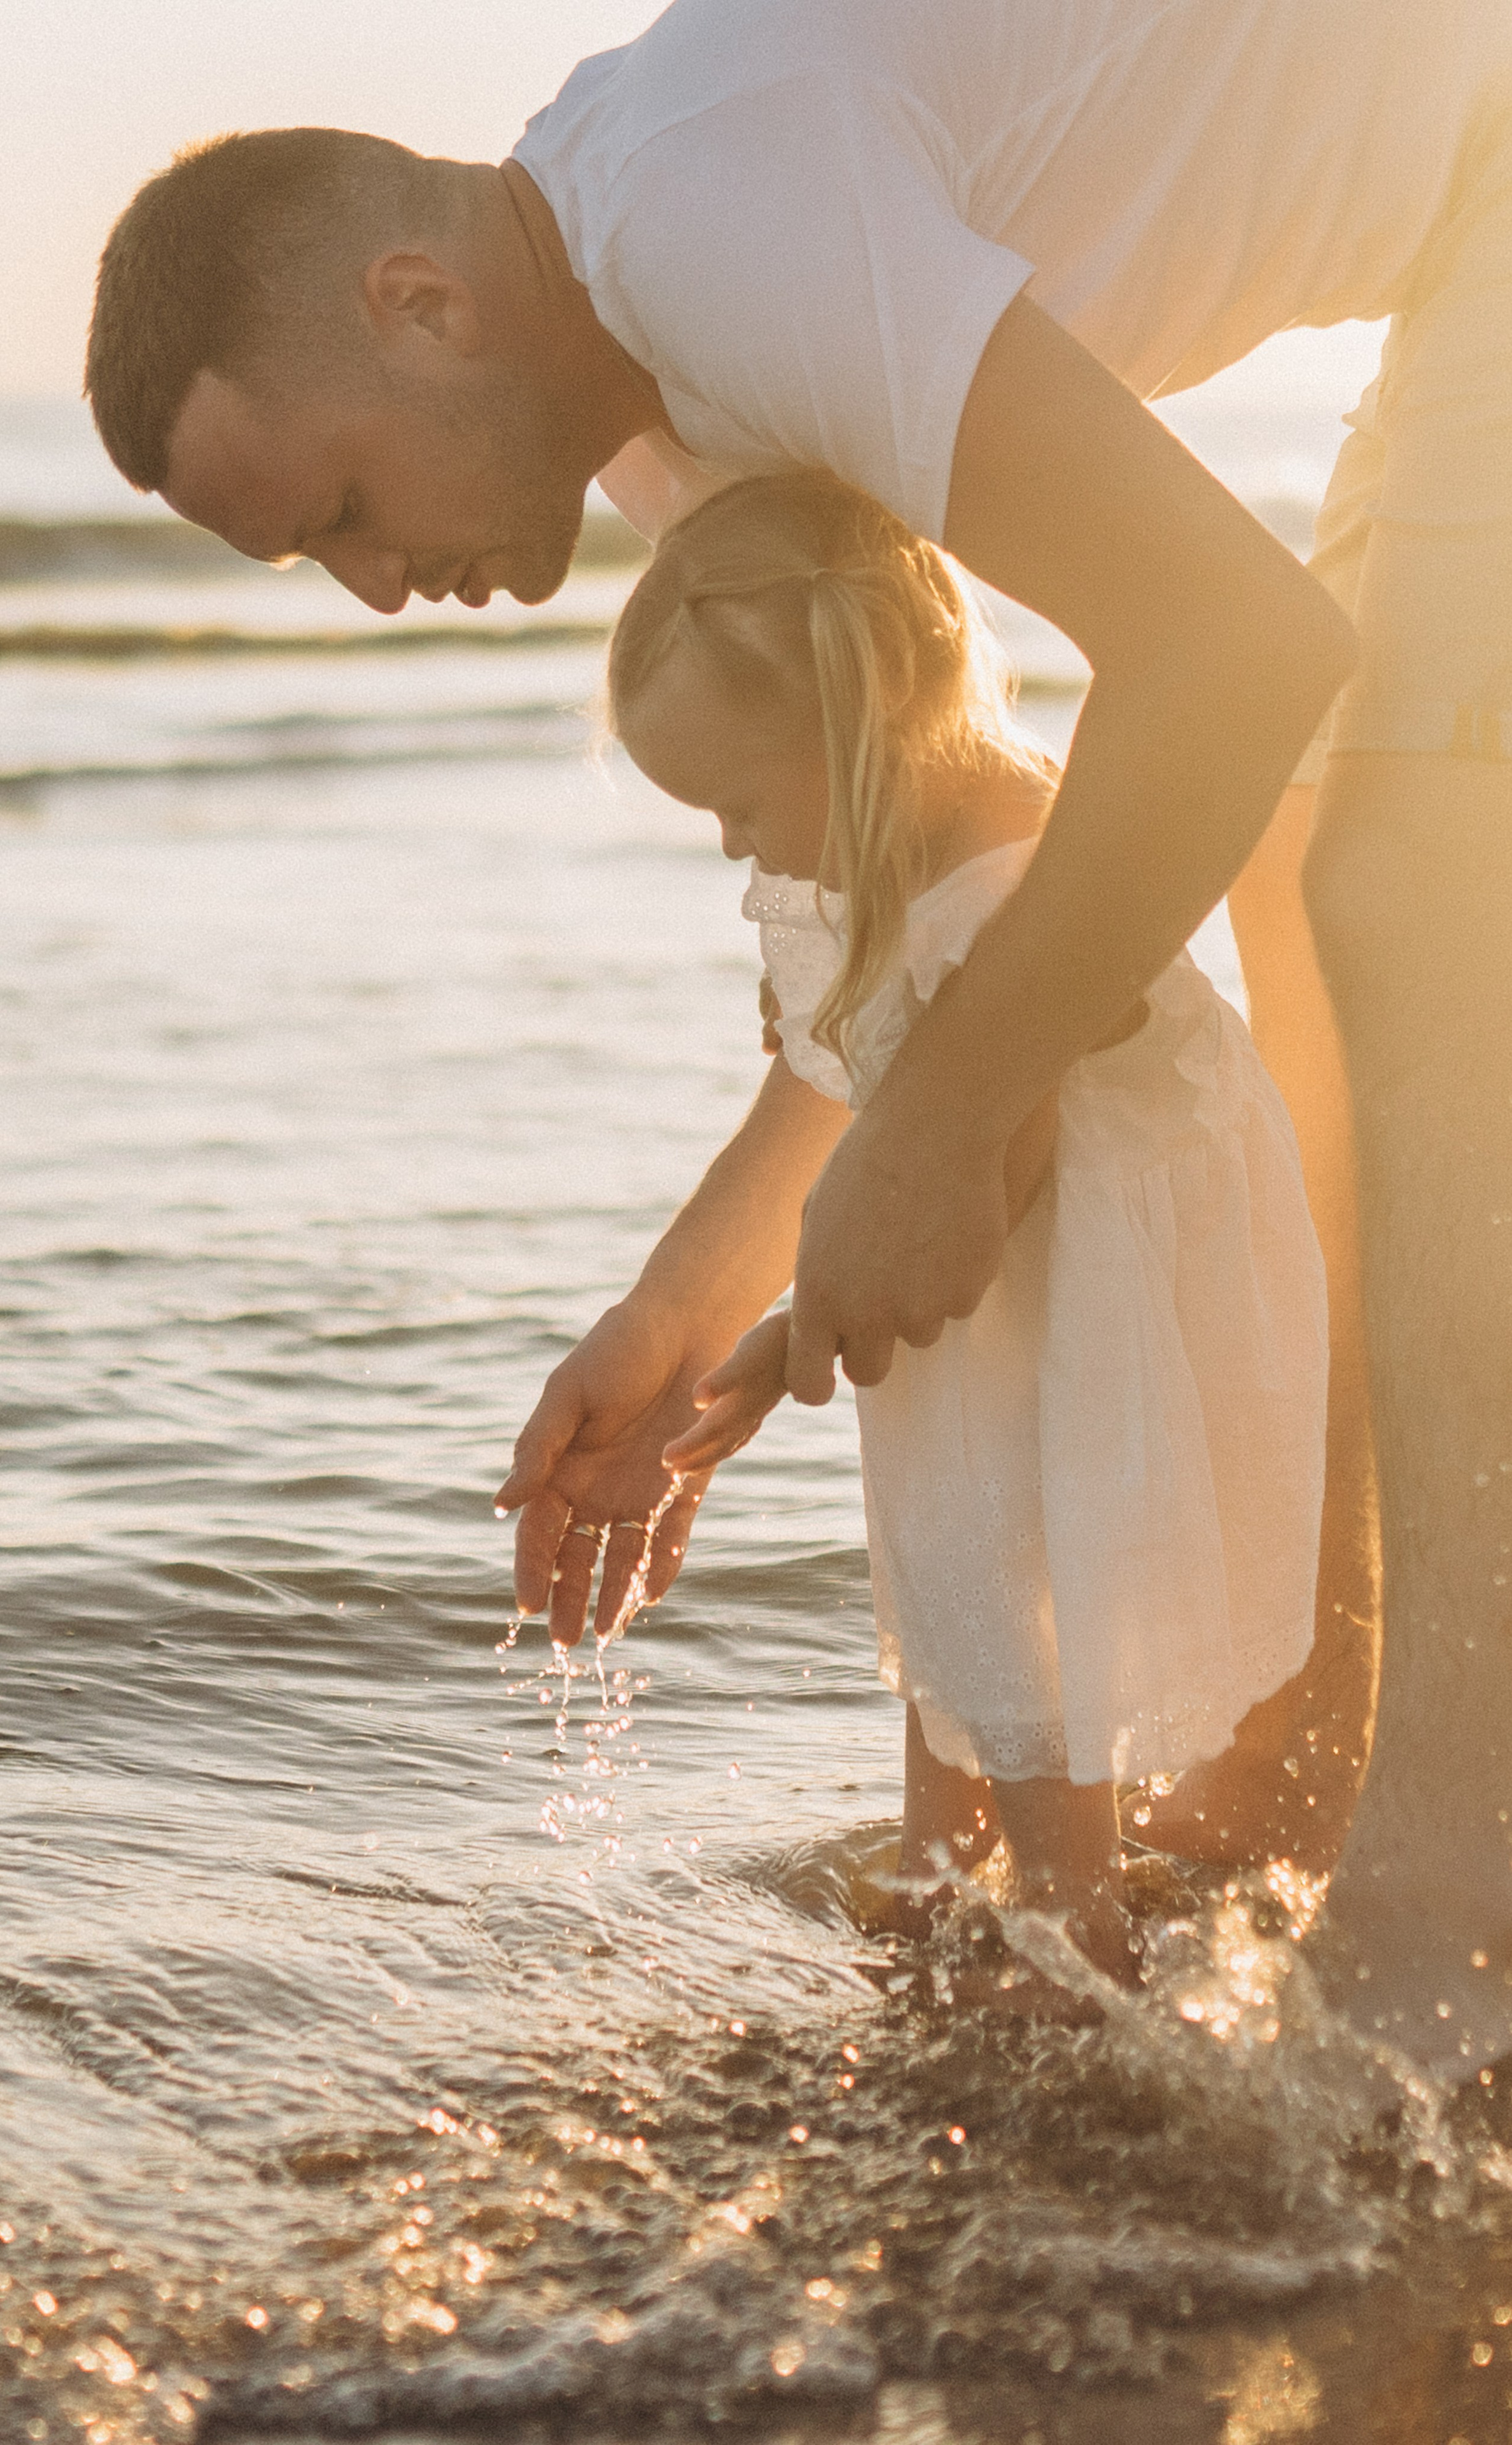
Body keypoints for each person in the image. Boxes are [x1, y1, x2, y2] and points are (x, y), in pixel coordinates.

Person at [82, 1, 1512, 2068]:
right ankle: (1312, 1783)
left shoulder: (714, 222)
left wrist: (967, 1105)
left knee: (1390, 915)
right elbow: (902, 937)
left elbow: (1230, 643)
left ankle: (1449, 1915)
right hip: (1434, 248)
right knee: (1302, 907)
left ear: (418, 308)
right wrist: (681, 1315)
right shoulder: (661, 416)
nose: (375, 593)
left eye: (336, 517)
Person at [566, 468, 1333, 1973]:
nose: (733, 850)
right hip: (992, 1297)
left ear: (858, 728)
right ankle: (935, 1866)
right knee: (956, 1572)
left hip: (1051, 1295)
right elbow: (850, 1095)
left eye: (736, 805)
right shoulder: (900, 847)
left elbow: (989, 1190)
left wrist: (793, 1333)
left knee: (1017, 1588)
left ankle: (1066, 1925)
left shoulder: (997, 892)